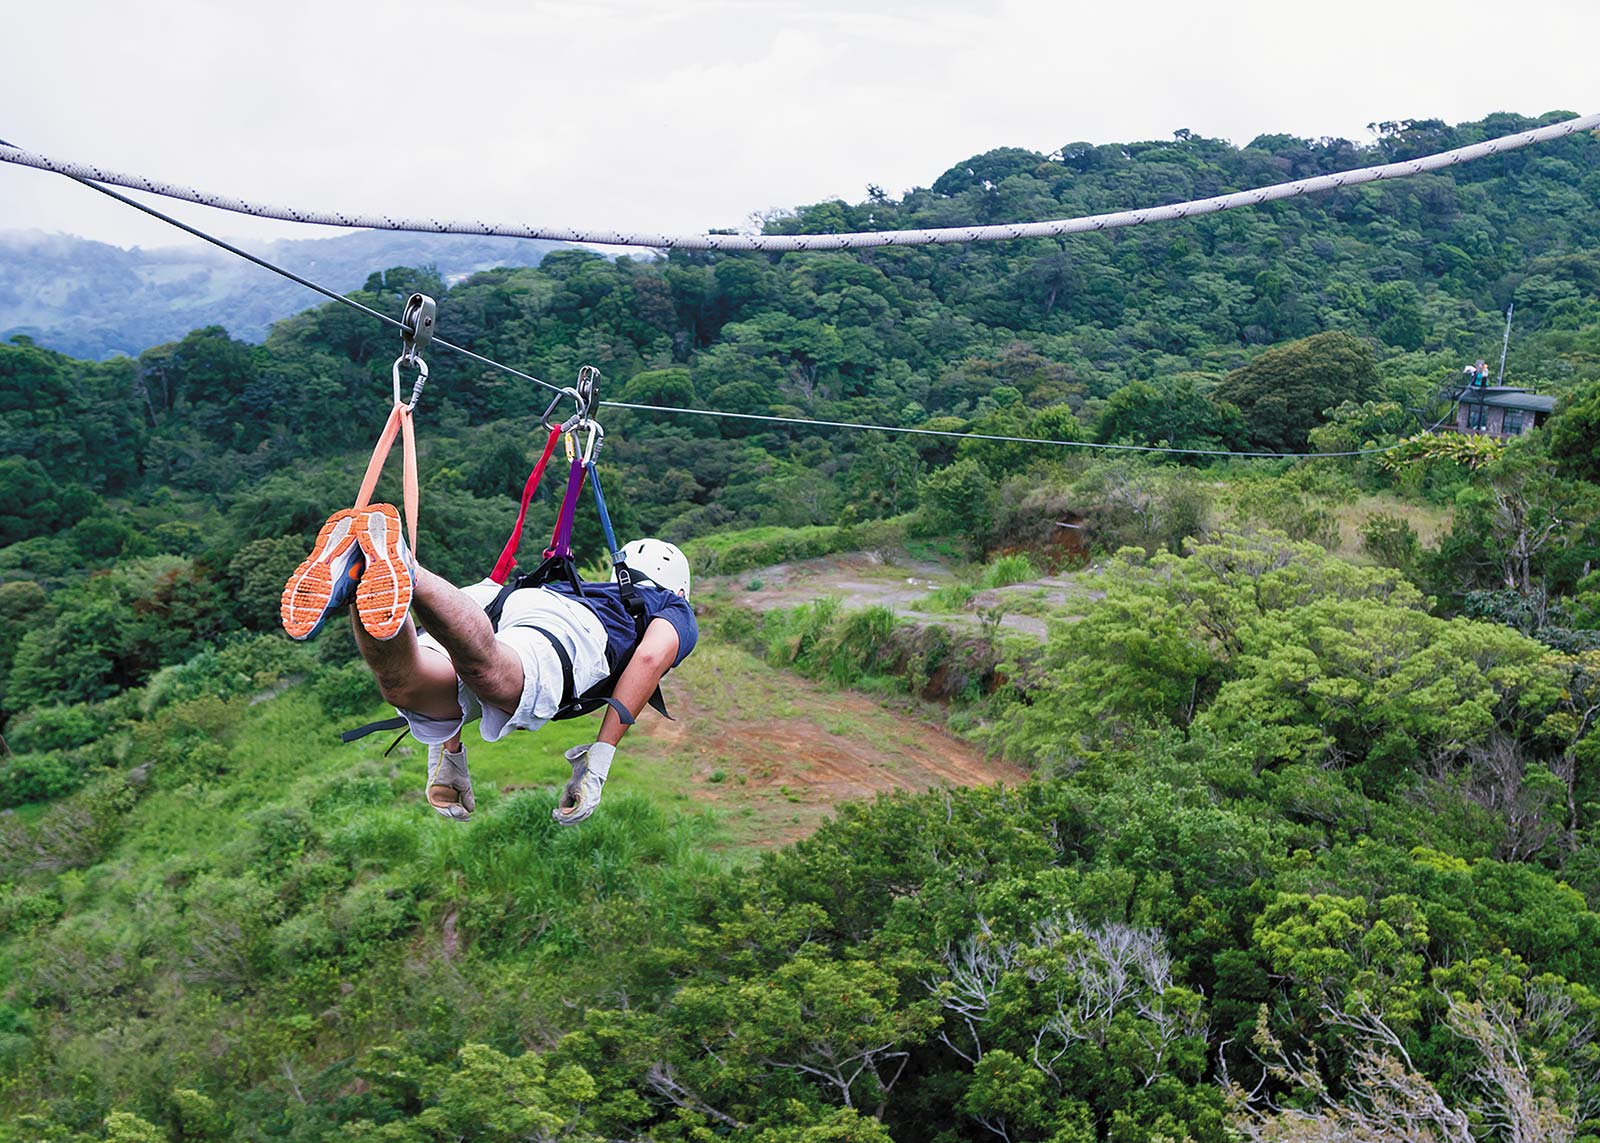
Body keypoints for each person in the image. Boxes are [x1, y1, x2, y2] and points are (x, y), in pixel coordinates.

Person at [279, 502, 696, 825]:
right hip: (568, 629)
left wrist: (450, 759)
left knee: (408, 685)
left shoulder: (589, 585)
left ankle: (359, 570)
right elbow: (650, 656)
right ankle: (406, 568)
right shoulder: (671, 606)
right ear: (679, 587)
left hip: (502, 603)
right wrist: (598, 764)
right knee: (495, 676)